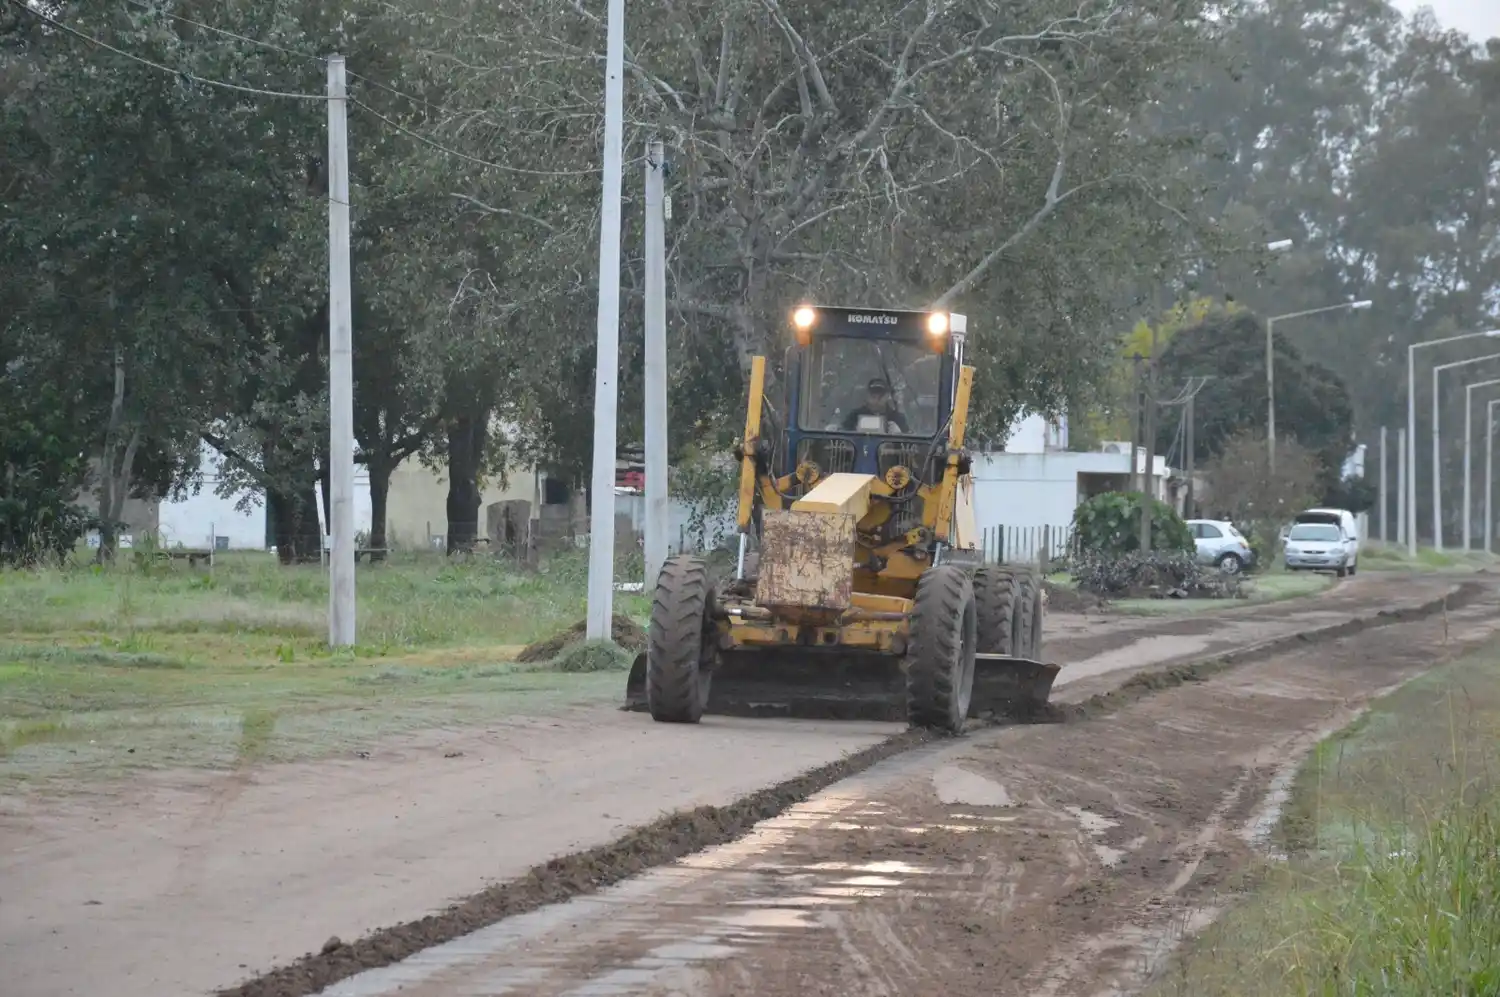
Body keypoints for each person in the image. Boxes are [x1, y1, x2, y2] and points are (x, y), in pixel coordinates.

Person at [842, 377, 910, 433]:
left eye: (881, 396)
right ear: (867, 396)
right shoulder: (854, 416)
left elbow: (910, 444)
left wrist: (900, 435)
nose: (877, 399)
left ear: (887, 396)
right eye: (873, 395)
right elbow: (841, 437)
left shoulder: (897, 418)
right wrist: (852, 432)